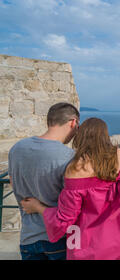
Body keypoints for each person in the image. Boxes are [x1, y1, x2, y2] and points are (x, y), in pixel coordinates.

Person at [21, 117, 120, 260]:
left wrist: (37, 207)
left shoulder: (76, 170)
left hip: (88, 244)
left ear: (81, 137)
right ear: (105, 136)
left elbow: (64, 219)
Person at [8, 102, 80, 260]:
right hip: (59, 239)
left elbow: (13, 183)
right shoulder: (69, 156)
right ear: (73, 123)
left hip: (28, 237)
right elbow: (73, 202)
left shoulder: (16, 148)